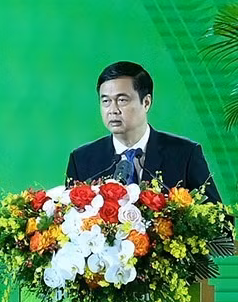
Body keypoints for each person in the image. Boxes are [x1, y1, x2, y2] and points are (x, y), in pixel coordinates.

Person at [66, 61, 221, 200]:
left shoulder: (185, 154)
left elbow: (222, 224)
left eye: (122, 100)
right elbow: (66, 221)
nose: (113, 110)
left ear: (146, 102)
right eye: (106, 101)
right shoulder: (81, 160)